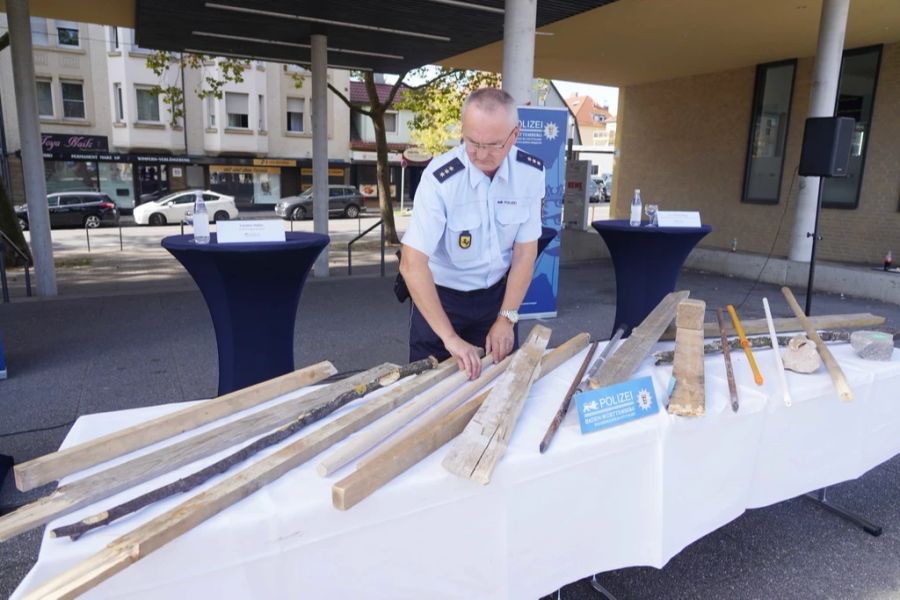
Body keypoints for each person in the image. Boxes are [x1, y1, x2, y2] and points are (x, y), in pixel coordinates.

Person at [400, 88, 545, 380]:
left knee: (498, 388)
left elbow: (525, 253)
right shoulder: (441, 179)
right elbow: (411, 264)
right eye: (472, 142)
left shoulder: (530, 174)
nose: (480, 155)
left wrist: (507, 318)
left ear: (514, 135)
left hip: (497, 301)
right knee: (429, 395)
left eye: (493, 145)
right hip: (441, 302)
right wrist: (450, 339)